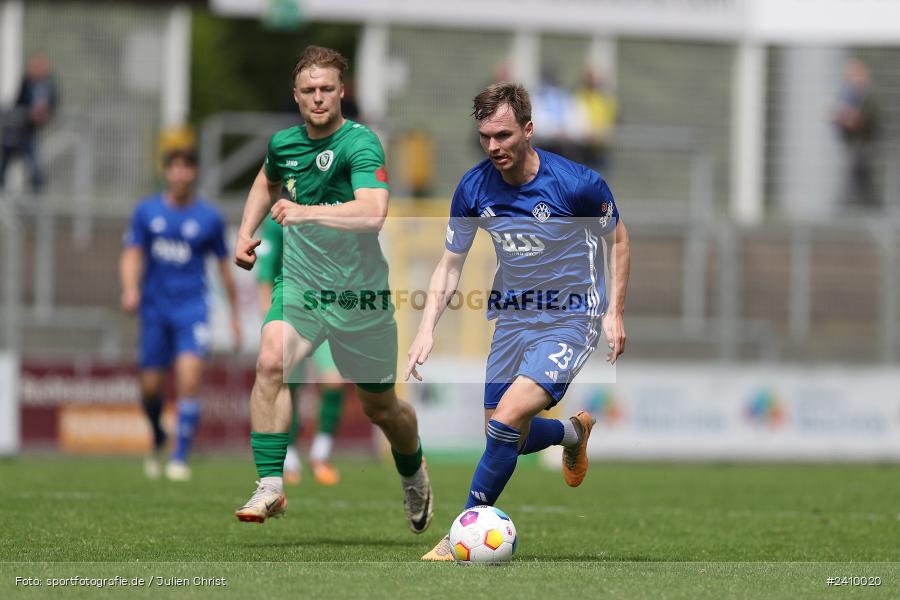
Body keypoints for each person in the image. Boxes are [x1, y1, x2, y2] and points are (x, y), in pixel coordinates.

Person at [406, 82, 630, 560]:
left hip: (572, 315)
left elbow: (620, 239)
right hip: (511, 317)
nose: (493, 147)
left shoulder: (577, 184)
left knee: (508, 420)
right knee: (502, 434)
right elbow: (450, 263)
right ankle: (573, 433)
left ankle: (459, 532)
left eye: (503, 136)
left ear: (528, 130)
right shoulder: (473, 187)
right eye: (485, 136)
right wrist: (426, 328)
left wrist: (614, 312)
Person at [232, 46, 432, 531]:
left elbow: (373, 212)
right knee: (270, 359)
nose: (318, 98)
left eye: (326, 89)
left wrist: (304, 212)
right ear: (296, 97)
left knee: (381, 408)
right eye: (308, 91)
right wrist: (245, 231)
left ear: (342, 92)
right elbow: (265, 180)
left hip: (359, 297)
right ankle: (271, 485)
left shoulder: (360, 144)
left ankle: (413, 474)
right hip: (301, 286)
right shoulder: (283, 144)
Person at [120, 148, 241, 482]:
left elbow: (223, 268)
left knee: (189, 377)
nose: (180, 174)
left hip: (192, 309)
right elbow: (132, 254)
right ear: (166, 173)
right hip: (155, 309)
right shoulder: (147, 212)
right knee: (150, 388)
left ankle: (179, 455)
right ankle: (158, 434)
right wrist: (130, 288)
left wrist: (233, 317)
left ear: (195, 173)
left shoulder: (209, 218)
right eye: (174, 168)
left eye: (186, 168)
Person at [255, 213, 347, 486]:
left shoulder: (335, 214)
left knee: (334, 381)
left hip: (328, 313)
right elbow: (265, 269)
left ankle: (320, 454)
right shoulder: (278, 220)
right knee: (288, 384)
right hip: (291, 311)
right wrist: (268, 310)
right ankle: (290, 457)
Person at [0, 54, 58, 192]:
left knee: (36, 171)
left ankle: (35, 203)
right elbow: (19, 104)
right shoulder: (26, 82)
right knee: (4, 168)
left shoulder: (49, 85)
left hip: (29, 135)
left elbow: (53, 104)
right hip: (14, 134)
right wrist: (29, 113)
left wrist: (45, 114)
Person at [833, 58, 881, 208]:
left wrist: (851, 119)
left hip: (864, 143)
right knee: (862, 178)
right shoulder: (846, 95)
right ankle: (870, 208)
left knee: (856, 174)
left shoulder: (869, 96)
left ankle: (843, 207)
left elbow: (867, 120)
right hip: (852, 143)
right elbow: (840, 116)